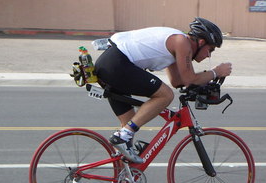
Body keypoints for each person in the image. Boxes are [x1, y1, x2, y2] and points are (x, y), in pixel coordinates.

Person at [95, 17, 232, 168]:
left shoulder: (177, 44)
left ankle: (124, 181)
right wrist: (216, 72)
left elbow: (177, 81)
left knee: (129, 121)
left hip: (111, 64)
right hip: (117, 64)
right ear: (201, 42)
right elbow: (190, 79)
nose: (209, 55)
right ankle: (122, 136)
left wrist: (203, 84)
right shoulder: (182, 42)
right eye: (210, 49)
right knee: (165, 95)